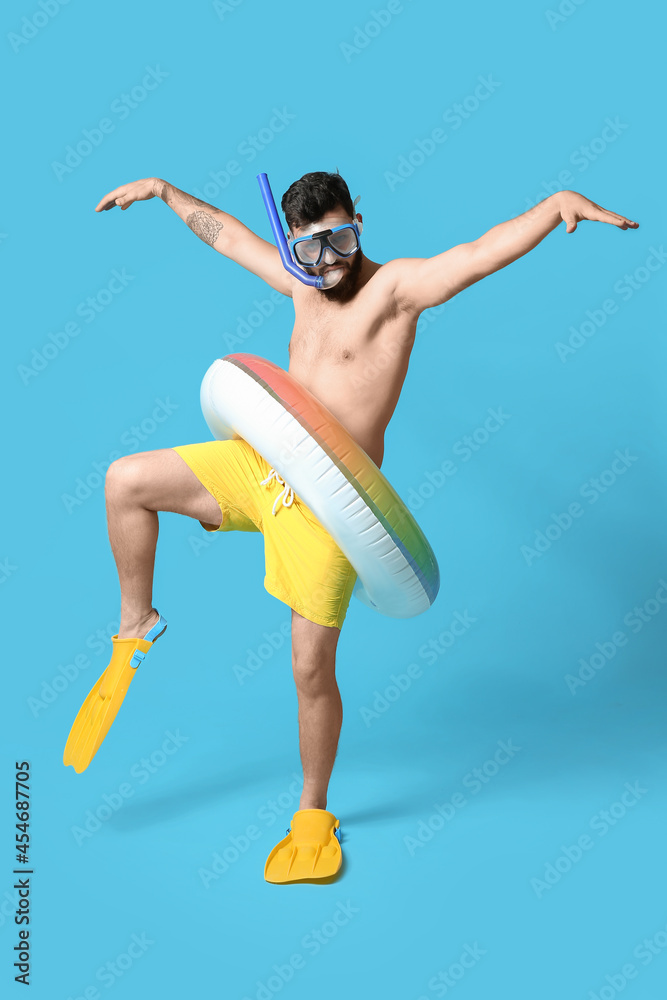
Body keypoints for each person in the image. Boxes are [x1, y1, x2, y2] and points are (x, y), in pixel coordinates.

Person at [64, 171, 638, 880]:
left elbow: (473, 255)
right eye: (310, 248)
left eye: (339, 238)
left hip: (331, 509)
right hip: (259, 469)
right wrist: (164, 192)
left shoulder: (394, 290)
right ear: (294, 247)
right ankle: (135, 626)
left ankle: (312, 810)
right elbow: (228, 237)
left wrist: (552, 209)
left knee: (309, 667)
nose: (328, 261)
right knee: (126, 481)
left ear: (357, 223)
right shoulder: (301, 281)